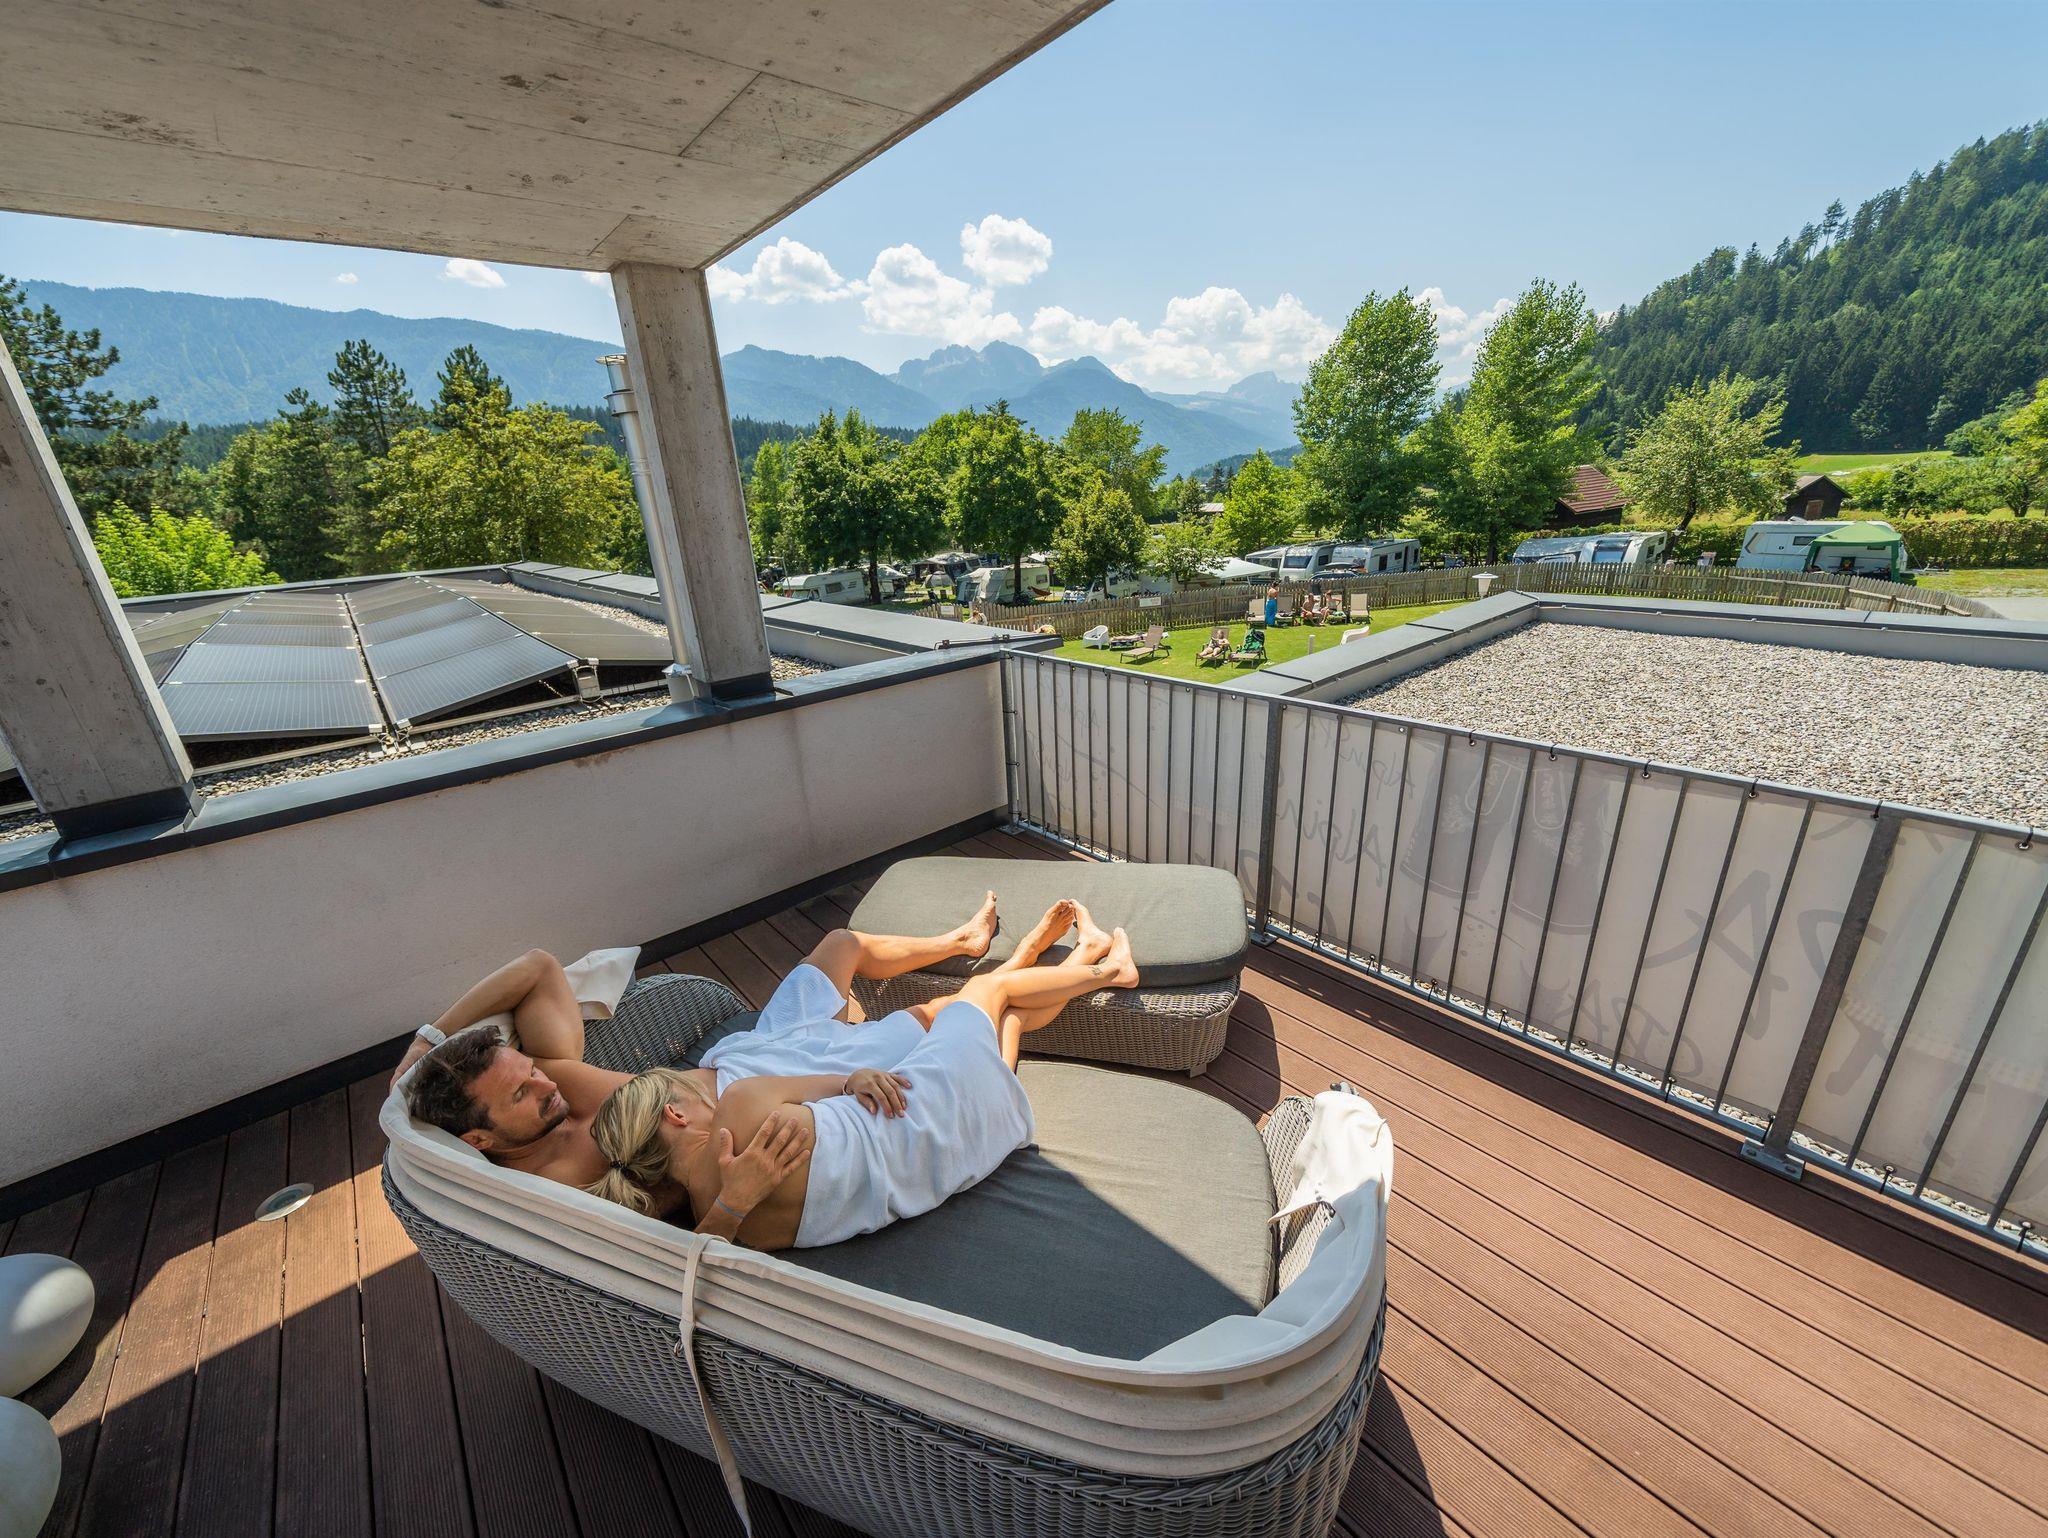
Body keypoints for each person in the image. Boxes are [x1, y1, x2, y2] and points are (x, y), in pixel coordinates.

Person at [393, 894, 1012, 1240]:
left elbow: (538, 967)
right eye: (521, 1094)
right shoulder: (564, 1186)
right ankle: (1003, 985)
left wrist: (426, 1044)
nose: (544, 1082)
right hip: (771, 1102)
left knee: (840, 945)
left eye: (529, 1069)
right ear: (479, 1140)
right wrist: (733, 1205)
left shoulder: (555, 1087)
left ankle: (960, 942)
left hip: (747, 1056)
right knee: (941, 1015)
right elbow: (671, 1260)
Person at [586, 902, 1138, 1250]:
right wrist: (853, 1080)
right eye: (685, 1088)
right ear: (675, 1114)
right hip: (926, 1111)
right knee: (988, 991)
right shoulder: (742, 1106)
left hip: (953, 1161)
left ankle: (1069, 963)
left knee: (1005, 1021)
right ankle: (1109, 969)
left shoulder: (724, 1227)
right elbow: (835, 1082)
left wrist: (730, 1209)